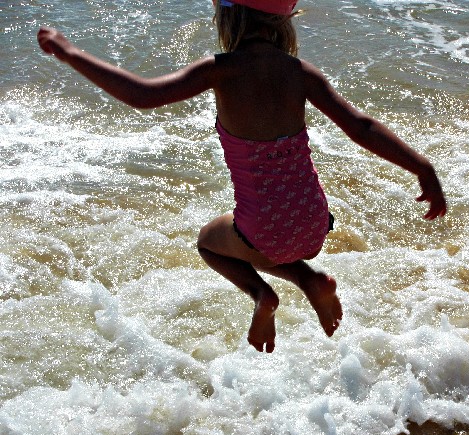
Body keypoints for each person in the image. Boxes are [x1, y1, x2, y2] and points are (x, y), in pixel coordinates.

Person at [37, 0, 447, 353]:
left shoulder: (220, 70)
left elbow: (143, 95)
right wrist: (421, 167)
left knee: (209, 244)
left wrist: (71, 53)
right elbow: (361, 126)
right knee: (269, 238)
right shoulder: (300, 71)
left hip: (263, 230)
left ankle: (262, 294)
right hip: (317, 222)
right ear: (284, 20)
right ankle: (309, 279)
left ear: (228, 17)